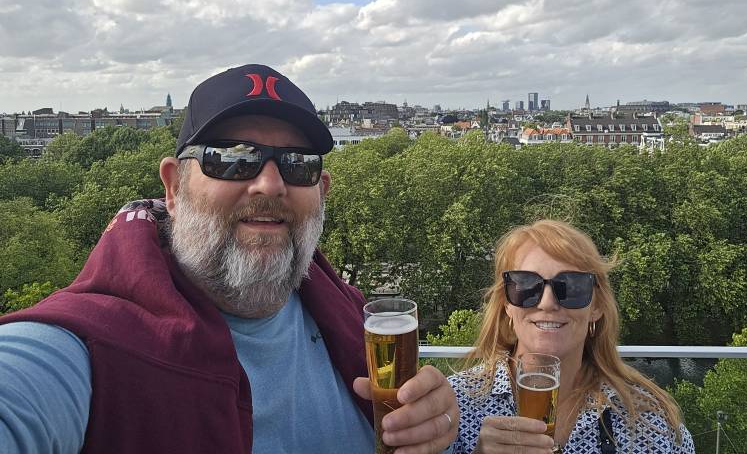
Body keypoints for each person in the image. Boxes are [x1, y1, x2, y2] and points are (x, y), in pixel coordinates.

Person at [0, 64, 458, 454]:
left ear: (322, 192)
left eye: (298, 163)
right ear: (174, 187)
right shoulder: (90, 345)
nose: (270, 184)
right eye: (232, 158)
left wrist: (434, 423)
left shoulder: (349, 314)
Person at [448, 220, 694, 454]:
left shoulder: (649, 424)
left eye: (571, 287)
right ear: (507, 304)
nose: (547, 303)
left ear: (596, 307)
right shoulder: (454, 407)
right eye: (526, 285)